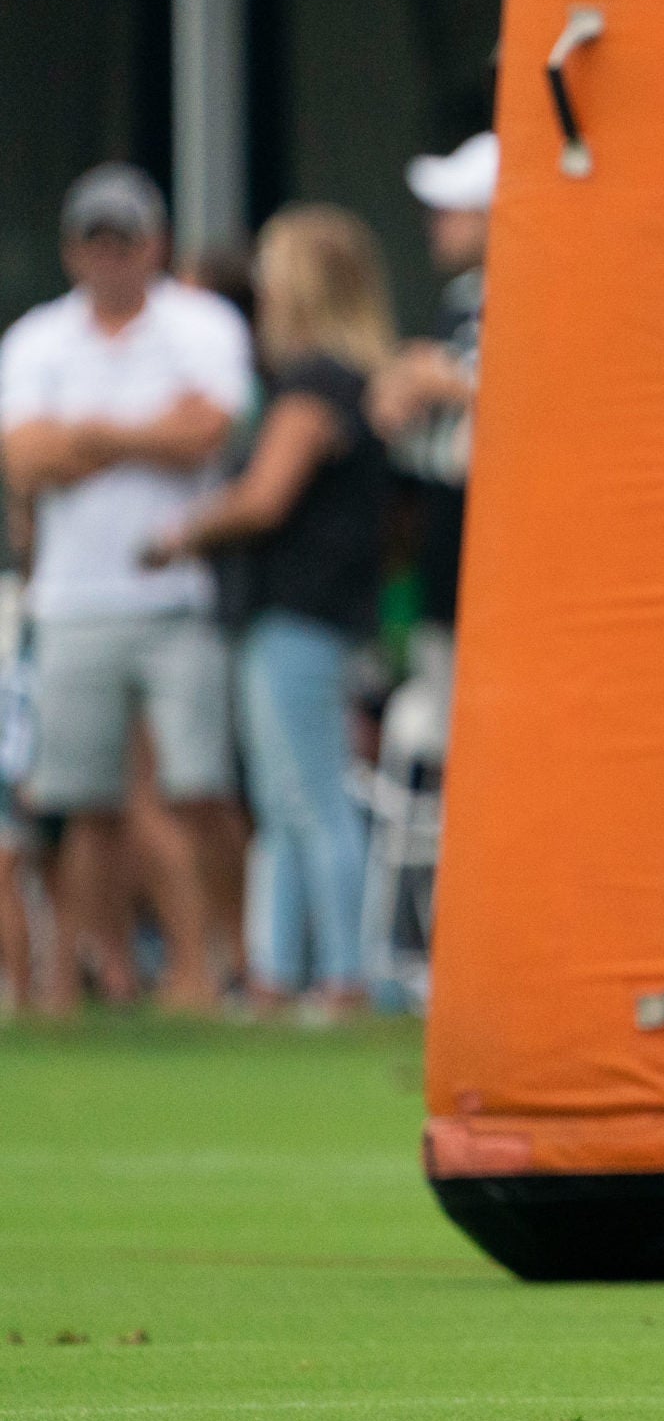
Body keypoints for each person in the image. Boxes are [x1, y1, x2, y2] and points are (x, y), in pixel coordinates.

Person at [0, 165, 252, 1014]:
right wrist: (148, 432)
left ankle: (226, 972)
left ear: (157, 245)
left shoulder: (200, 324)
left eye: (126, 241)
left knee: (196, 790)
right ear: (74, 250)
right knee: (80, 805)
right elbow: (23, 459)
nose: (111, 258)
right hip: (73, 601)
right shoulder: (37, 338)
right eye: (96, 242)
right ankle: (68, 984)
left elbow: (206, 433)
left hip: (176, 596)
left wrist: (87, 433)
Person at [147, 205, 392, 1019]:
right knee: (289, 801)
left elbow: (263, 497)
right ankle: (279, 976)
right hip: (298, 615)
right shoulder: (348, 380)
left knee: (312, 797)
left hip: (301, 613)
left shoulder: (317, 383)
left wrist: (184, 531)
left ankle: (344, 977)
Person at [374, 131, 492, 668]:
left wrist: (437, 375)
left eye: (454, 210)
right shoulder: (462, 301)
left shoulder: (541, 295)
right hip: (446, 543)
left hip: (504, 546)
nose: (435, 223)